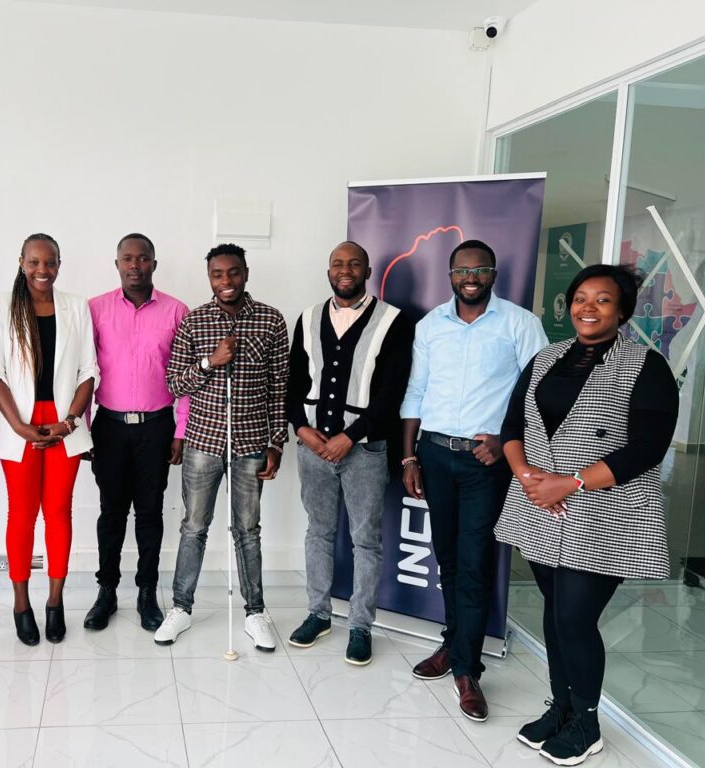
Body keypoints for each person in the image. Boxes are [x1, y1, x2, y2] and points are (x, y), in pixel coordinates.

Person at [496, 265, 678, 766]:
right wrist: (527, 475)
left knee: (576, 618)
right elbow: (512, 425)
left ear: (622, 310)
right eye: (580, 298)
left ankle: (588, 722)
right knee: (556, 616)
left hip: (605, 512)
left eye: (602, 300)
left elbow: (647, 447)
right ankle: (563, 707)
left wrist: (570, 482)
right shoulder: (546, 358)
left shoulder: (646, 365)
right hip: (539, 507)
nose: (588, 308)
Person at [400, 239, 547, 721]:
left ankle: (466, 668)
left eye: (480, 269)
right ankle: (453, 645)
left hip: (487, 463)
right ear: (449, 276)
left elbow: (539, 393)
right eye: (462, 270)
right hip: (435, 455)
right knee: (448, 559)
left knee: (475, 562)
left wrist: (505, 441)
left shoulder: (520, 324)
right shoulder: (430, 326)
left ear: (493, 273)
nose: (471, 276)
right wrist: (408, 458)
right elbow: (417, 392)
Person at [154, 243, 288, 651]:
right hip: (203, 443)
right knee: (194, 527)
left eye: (233, 273)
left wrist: (276, 442)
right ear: (208, 277)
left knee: (247, 530)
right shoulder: (195, 323)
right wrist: (211, 362)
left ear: (245, 273)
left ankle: (255, 612)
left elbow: (279, 388)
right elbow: (175, 384)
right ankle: (180, 608)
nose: (225, 282)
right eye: (217, 274)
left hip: (250, 443)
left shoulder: (270, 320)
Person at [286, 241, 414, 665]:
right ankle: (318, 614)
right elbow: (293, 383)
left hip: (365, 450)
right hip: (312, 448)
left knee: (365, 539)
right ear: (328, 271)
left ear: (368, 270)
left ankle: (360, 625)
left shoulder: (393, 321)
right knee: (318, 531)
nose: (345, 270)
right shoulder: (306, 319)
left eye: (353, 263)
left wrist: (350, 436)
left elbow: (392, 391)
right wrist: (302, 430)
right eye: (337, 264)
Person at [0, 234, 97, 645]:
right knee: (22, 515)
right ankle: (20, 603)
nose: (42, 271)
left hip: (63, 424)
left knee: (59, 514)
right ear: (21, 262)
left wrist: (69, 421)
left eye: (49, 263)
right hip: (21, 426)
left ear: (59, 264)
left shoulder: (76, 306)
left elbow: (89, 371)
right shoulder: (1, 305)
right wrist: (18, 426)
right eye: (34, 262)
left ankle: (54, 602)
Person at [85, 234, 189, 632]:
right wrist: (83, 429)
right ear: (117, 264)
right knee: (111, 513)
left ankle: (147, 593)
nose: (134, 265)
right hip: (108, 427)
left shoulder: (177, 311)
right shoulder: (94, 309)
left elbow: (185, 379)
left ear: (153, 264)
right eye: (127, 259)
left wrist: (180, 431)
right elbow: (81, 372)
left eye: (142, 258)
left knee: (149, 513)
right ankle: (106, 592)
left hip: (157, 428)